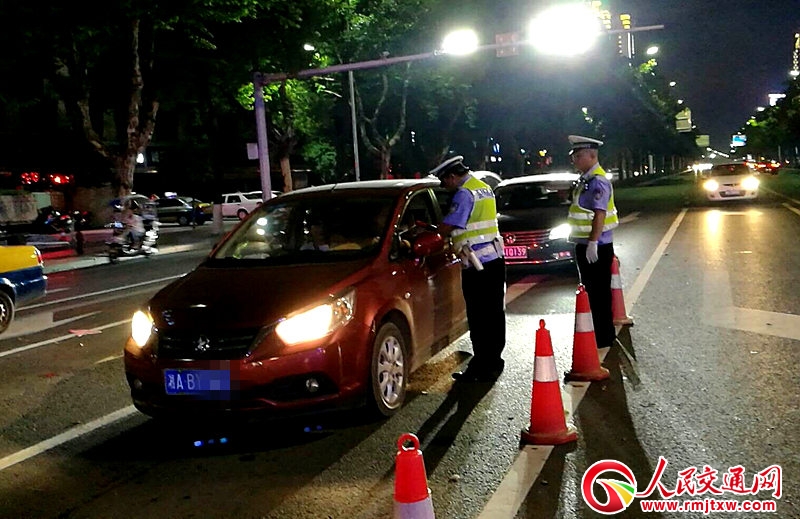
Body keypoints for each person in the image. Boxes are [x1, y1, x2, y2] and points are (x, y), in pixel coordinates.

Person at [432, 155, 507, 382]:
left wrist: (433, 233)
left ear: (452, 176)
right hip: (494, 259)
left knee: (479, 315)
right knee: (494, 313)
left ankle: (481, 366)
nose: (445, 186)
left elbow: (451, 224)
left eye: (444, 181)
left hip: (477, 265)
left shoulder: (464, 194)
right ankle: (494, 361)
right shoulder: (483, 187)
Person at [566, 135, 619, 349]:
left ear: (592, 156)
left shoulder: (598, 181)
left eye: (578, 156)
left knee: (598, 293)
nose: (575, 160)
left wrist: (593, 242)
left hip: (596, 246)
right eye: (574, 156)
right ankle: (599, 333)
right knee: (592, 291)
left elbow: (600, 213)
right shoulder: (585, 180)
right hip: (586, 244)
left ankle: (604, 336)